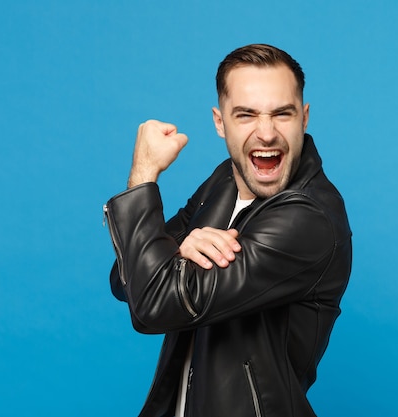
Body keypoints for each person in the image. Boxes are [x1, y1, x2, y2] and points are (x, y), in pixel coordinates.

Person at [104, 44, 352, 417]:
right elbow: (126, 280)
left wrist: (143, 177)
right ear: (221, 123)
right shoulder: (223, 182)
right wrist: (181, 247)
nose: (266, 133)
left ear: (304, 118)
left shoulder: (310, 217)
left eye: (281, 114)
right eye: (246, 115)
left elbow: (153, 306)